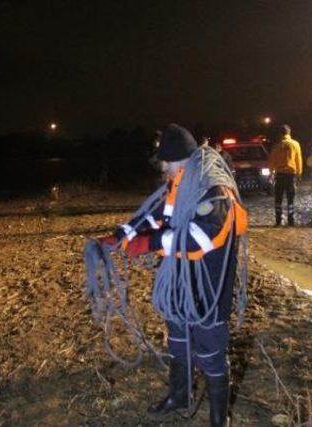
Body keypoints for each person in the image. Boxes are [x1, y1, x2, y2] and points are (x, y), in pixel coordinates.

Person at [97, 124, 248, 426]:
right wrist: (121, 235)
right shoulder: (180, 182)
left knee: (210, 348)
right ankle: (180, 395)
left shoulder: (214, 188)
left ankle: (220, 418)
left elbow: (202, 237)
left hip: (208, 284)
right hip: (180, 280)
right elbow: (156, 217)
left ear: (177, 158)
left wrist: (149, 243)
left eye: (164, 162)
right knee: (178, 338)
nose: (162, 168)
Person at [268, 124, 303, 226]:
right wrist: (299, 173)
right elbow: (298, 160)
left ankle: (278, 220)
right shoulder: (295, 144)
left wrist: (271, 173)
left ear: (280, 134)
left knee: (278, 198)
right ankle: (291, 220)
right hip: (291, 175)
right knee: (290, 198)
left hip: (280, 175)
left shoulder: (277, 146)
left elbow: (271, 161)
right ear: (289, 133)